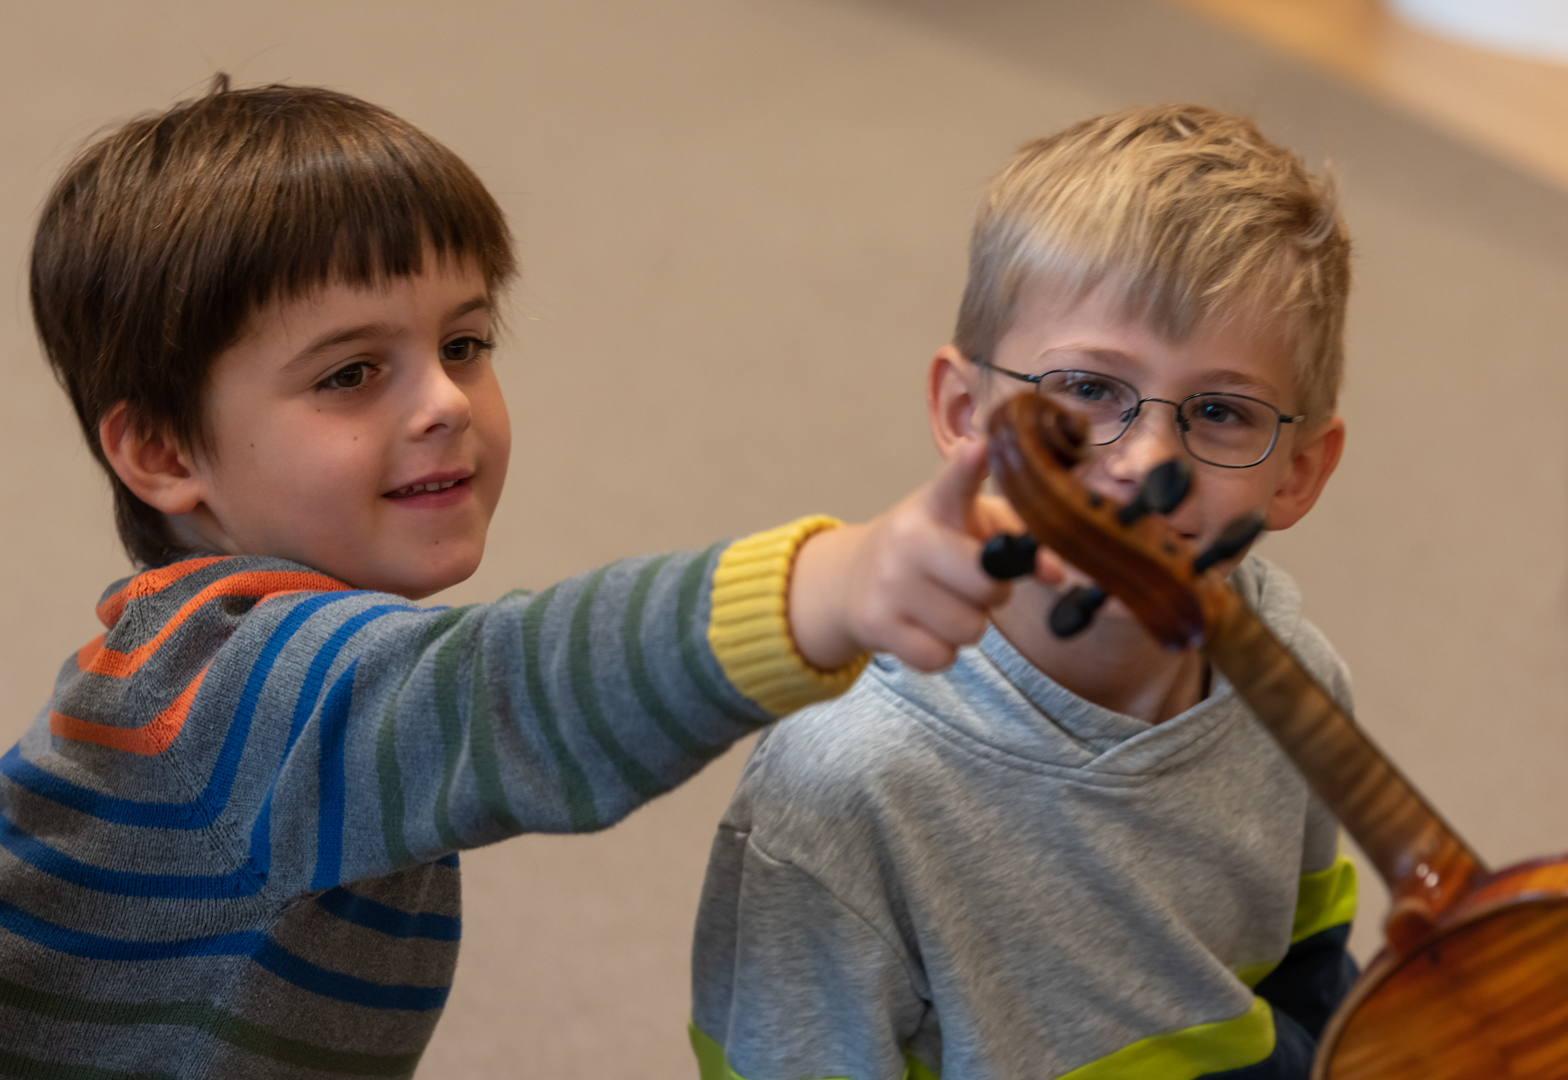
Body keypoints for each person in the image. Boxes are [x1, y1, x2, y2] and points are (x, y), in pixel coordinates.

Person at [0, 78, 1052, 1078]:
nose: (445, 402)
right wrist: (828, 582)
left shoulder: (197, 656)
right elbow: (511, 687)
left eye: (462, 344)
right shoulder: (238, 693)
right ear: (165, 455)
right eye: (350, 374)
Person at [690, 104, 1359, 1080]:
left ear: (1296, 471)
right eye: (1087, 389)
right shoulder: (842, 790)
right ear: (966, 413)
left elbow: (1309, 976)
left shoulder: (1296, 678)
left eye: (1218, 412)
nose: (1143, 463)